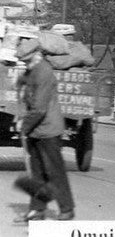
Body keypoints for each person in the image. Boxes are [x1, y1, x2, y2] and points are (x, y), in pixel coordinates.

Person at [12, 42, 75, 222]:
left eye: (27, 61)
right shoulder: (31, 72)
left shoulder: (44, 72)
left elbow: (39, 108)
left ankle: (67, 208)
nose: (25, 64)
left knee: (55, 172)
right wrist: (20, 117)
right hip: (36, 130)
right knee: (36, 173)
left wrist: (24, 126)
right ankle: (37, 210)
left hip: (48, 130)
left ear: (36, 56)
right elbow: (25, 97)